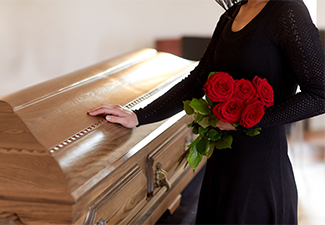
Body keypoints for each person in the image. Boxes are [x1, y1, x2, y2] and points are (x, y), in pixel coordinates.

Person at [88, 0, 325, 224]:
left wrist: (245, 121)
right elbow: (197, 81)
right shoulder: (231, 15)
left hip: (260, 170)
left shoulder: (289, 12)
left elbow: (320, 94)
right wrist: (138, 116)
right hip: (220, 165)